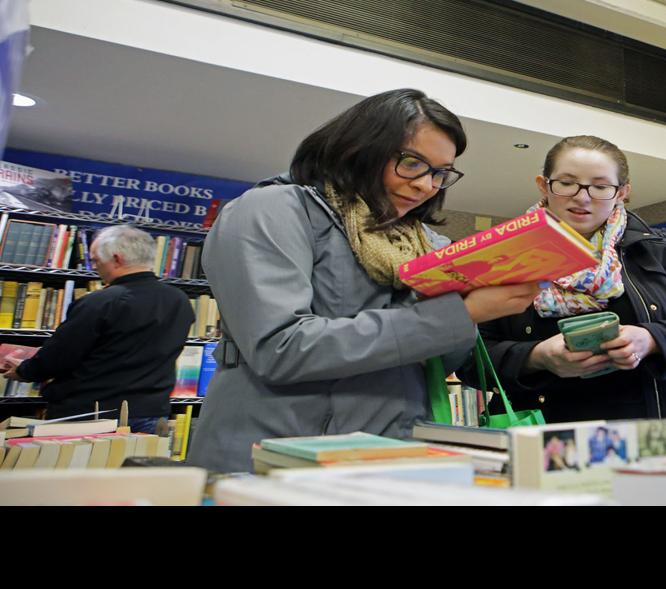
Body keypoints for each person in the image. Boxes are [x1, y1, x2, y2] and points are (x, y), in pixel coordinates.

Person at [186, 88, 537, 472]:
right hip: (279, 458)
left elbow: (435, 362)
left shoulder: (426, 244)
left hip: (390, 457)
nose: (426, 185)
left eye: (439, 173)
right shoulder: (272, 210)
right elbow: (281, 348)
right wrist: (457, 313)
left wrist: (470, 311)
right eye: (411, 162)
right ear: (361, 148)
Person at [466, 135, 666, 423]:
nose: (582, 197)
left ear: (622, 192)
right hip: (543, 438)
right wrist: (537, 356)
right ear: (544, 185)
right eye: (567, 183)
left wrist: (652, 339)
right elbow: (469, 361)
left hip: (650, 433)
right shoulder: (502, 258)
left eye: (601, 186)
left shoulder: (663, 250)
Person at [1, 225, 194, 432]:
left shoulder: (101, 302)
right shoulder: (179, 300)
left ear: (117, 259)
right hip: (151, 412)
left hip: (90, 416)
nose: (95, 268)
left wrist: (24, 370)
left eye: (97, 261)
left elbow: (61, 356)